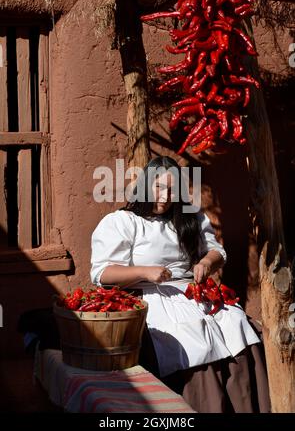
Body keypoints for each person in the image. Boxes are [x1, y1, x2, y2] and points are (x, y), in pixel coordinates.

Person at [90, 155, 271, 413]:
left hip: (189, 292)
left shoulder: (189, 217)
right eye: (158, 187)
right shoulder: (123, 222)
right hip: (149, 296)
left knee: (235, 322)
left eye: (172, 188)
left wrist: (206, 263)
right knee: (190, 336)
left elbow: (216, 251)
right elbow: (103, 273)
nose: (165, 195)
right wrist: (146, 272)